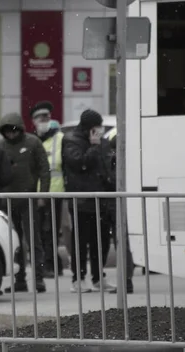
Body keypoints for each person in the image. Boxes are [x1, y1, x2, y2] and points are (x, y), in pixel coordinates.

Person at [61, 109, 116, 293]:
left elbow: (108, 166)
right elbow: (80, 164)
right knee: (80, 241)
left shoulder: (103, 143)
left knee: (100, 242)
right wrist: (93, 146)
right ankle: (78, 279)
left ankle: (98, 277)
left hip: (101, 200)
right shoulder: (71, 141)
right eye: (96, 127)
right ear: (87, 128)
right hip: (82, 200)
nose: (99, 131)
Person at [0, 112, 50, 294]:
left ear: (20, 129)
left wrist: (42, 194)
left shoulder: (33, 142)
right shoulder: (1, 146)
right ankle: (19, 279)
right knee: (16, 242)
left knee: (33, 240)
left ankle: (38, 278)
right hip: (9, 200)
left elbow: (44, 169)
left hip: (29, 198)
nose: (11, 134)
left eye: (14, 130)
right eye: (7, 131)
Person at [30, 101, 65, 278]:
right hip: (35, 192)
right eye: (40, 118)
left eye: (47, 118)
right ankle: (46, 263)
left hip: (55, 192)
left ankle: (51, 265)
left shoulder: (59, 138)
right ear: (34, 122)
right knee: (39, 230)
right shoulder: (32, 140)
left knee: (50, 230)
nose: (44, 121)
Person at [106, 131, 135, 293]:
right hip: (118, 206)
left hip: (119, 206)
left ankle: (125, 281)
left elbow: (112, 181)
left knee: (122, 243)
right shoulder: (124, 160)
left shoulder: (119, 162)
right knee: (123, 243)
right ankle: (125, 280)